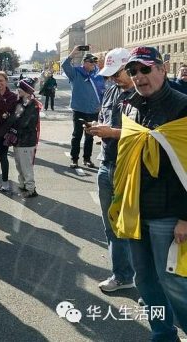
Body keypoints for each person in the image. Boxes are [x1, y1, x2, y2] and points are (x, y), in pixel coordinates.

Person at [110, 46, 187, 341]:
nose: (139, 76)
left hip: (169, 215)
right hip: (136, 210)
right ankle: (163, 335)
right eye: (133, 71)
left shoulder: (182, 107)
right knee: (144, 281)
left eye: (145, 69)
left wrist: (185, 216)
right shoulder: (129, 106)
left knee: (175, 284)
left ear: (161, 69)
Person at [83, 48, 136, 293]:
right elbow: (107, 119)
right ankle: (123, 275)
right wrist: (97, 128)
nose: (113, 78)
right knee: (111, 225)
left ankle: (144, 281)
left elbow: (147, 135)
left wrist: (112, 133)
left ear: (130, 67)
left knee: (133, 227)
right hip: (106, 163)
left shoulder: (142, 94)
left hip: (129, 168)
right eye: (110, 74)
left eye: (117, 73)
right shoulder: (112, 89)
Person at [62, 46, 105, 169]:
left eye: (94, 62)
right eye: (91, 62)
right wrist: (73, 53)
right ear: (85, 63)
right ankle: (74, 159)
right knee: (77, 135)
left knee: (90, 136)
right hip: (79, 109)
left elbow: (102, 91)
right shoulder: (76, 73)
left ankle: (87, 159)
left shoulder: (97, 75)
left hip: (92, 110)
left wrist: (100, 106)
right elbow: (65, 66)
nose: (93, 64)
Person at [5, 78, 40, 198]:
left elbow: (27, 123)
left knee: (26, 166)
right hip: (18, 140)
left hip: (27, 140)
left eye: (20, 88)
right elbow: (14, 118)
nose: (17, 90)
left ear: (27, 90)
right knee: (19, 164)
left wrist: (14, 127)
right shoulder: (19, 102)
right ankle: (22, 184)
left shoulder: (32, 104)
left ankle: (30, 188)